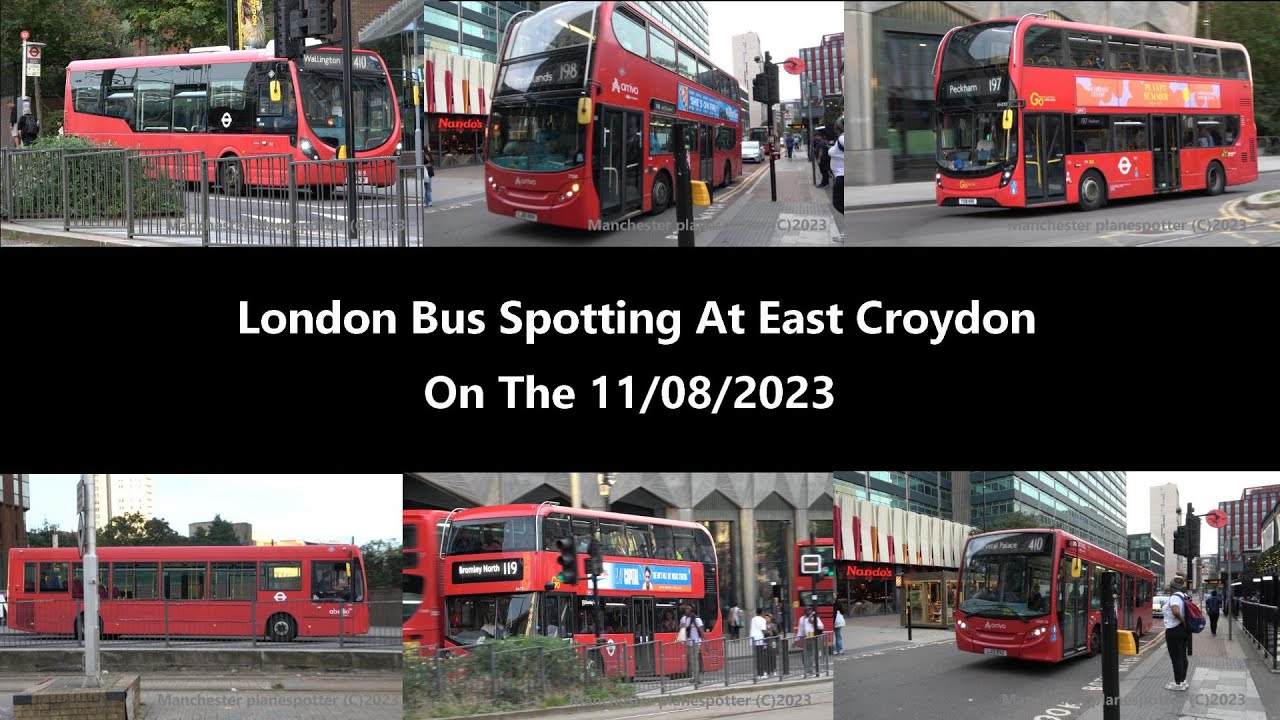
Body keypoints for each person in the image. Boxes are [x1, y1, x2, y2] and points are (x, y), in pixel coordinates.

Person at [1164, 576, 1190, 691]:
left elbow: (1175, 611)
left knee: (1176, 658)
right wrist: (1184, 623)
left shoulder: (1174, 597)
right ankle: (1183, 681)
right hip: (1183, 631)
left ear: (1172, 586)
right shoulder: (1183, 596)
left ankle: (1178, 683)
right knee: (1182, 656)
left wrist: (1182, 621)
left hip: (1174, 630)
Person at [680, 605, 705, 684]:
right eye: (685, 608)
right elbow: (681, 629)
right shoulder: (684, 619)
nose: (686, 610)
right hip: (688, 642)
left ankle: (697, 678)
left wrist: (706, 643)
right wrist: (682, 626)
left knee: (695, 660)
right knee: (691, 661)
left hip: (696, 642)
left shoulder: (697, 619)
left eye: (688, 608)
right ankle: (694, 677)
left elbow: (701, 631)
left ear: (692, 610)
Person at [797, 607, 824, 676]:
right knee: (805, 656)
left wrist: (813, 623)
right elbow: (800, 630)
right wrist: (797, 639)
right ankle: (808, 670)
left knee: (811, 655)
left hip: (814, 638)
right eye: (807, 610)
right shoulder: (802, 619)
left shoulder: (815, 618)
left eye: (810, 610)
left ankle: (811, 671)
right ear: (805, 611)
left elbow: (821, 627)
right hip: (806, 639)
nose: (809, 612)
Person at [830, 117, 845, 215]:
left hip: (842, 176)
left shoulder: (842, 138)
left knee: (838, 203)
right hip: (840, 176)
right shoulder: (840, 139)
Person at [750, 608, 769, 679]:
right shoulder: (762, 620)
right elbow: (763, 630)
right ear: (762, 613)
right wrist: (769, 632)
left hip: (753, 639)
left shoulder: (753, 619)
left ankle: (758, 674)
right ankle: (761, 673)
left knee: (757, 657)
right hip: (760, 639)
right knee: (761, 657)